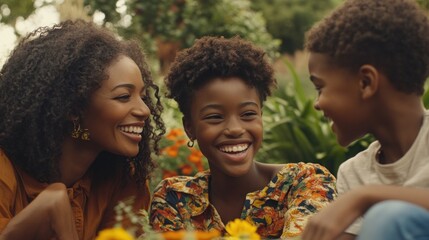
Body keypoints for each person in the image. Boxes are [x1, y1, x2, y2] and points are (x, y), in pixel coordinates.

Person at [149, 36, 337, 239]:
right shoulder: (175, 200)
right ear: (190, 127)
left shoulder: (305, 183)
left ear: (261, 116)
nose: (235, 129)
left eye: (248, 114)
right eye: (215, 117)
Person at [0, 19, 165, 240]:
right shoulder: (5, 171)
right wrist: (50, 204)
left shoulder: (124, 181)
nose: (144, 110)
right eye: (124, 97)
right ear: (73, 108)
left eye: (143, 97)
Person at [301, 0, 429, 239]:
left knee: (388, 216)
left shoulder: (362, 194)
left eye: (320, 88)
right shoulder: (354, 173)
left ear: (366, 83)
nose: (317, 104)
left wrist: (366, 197)